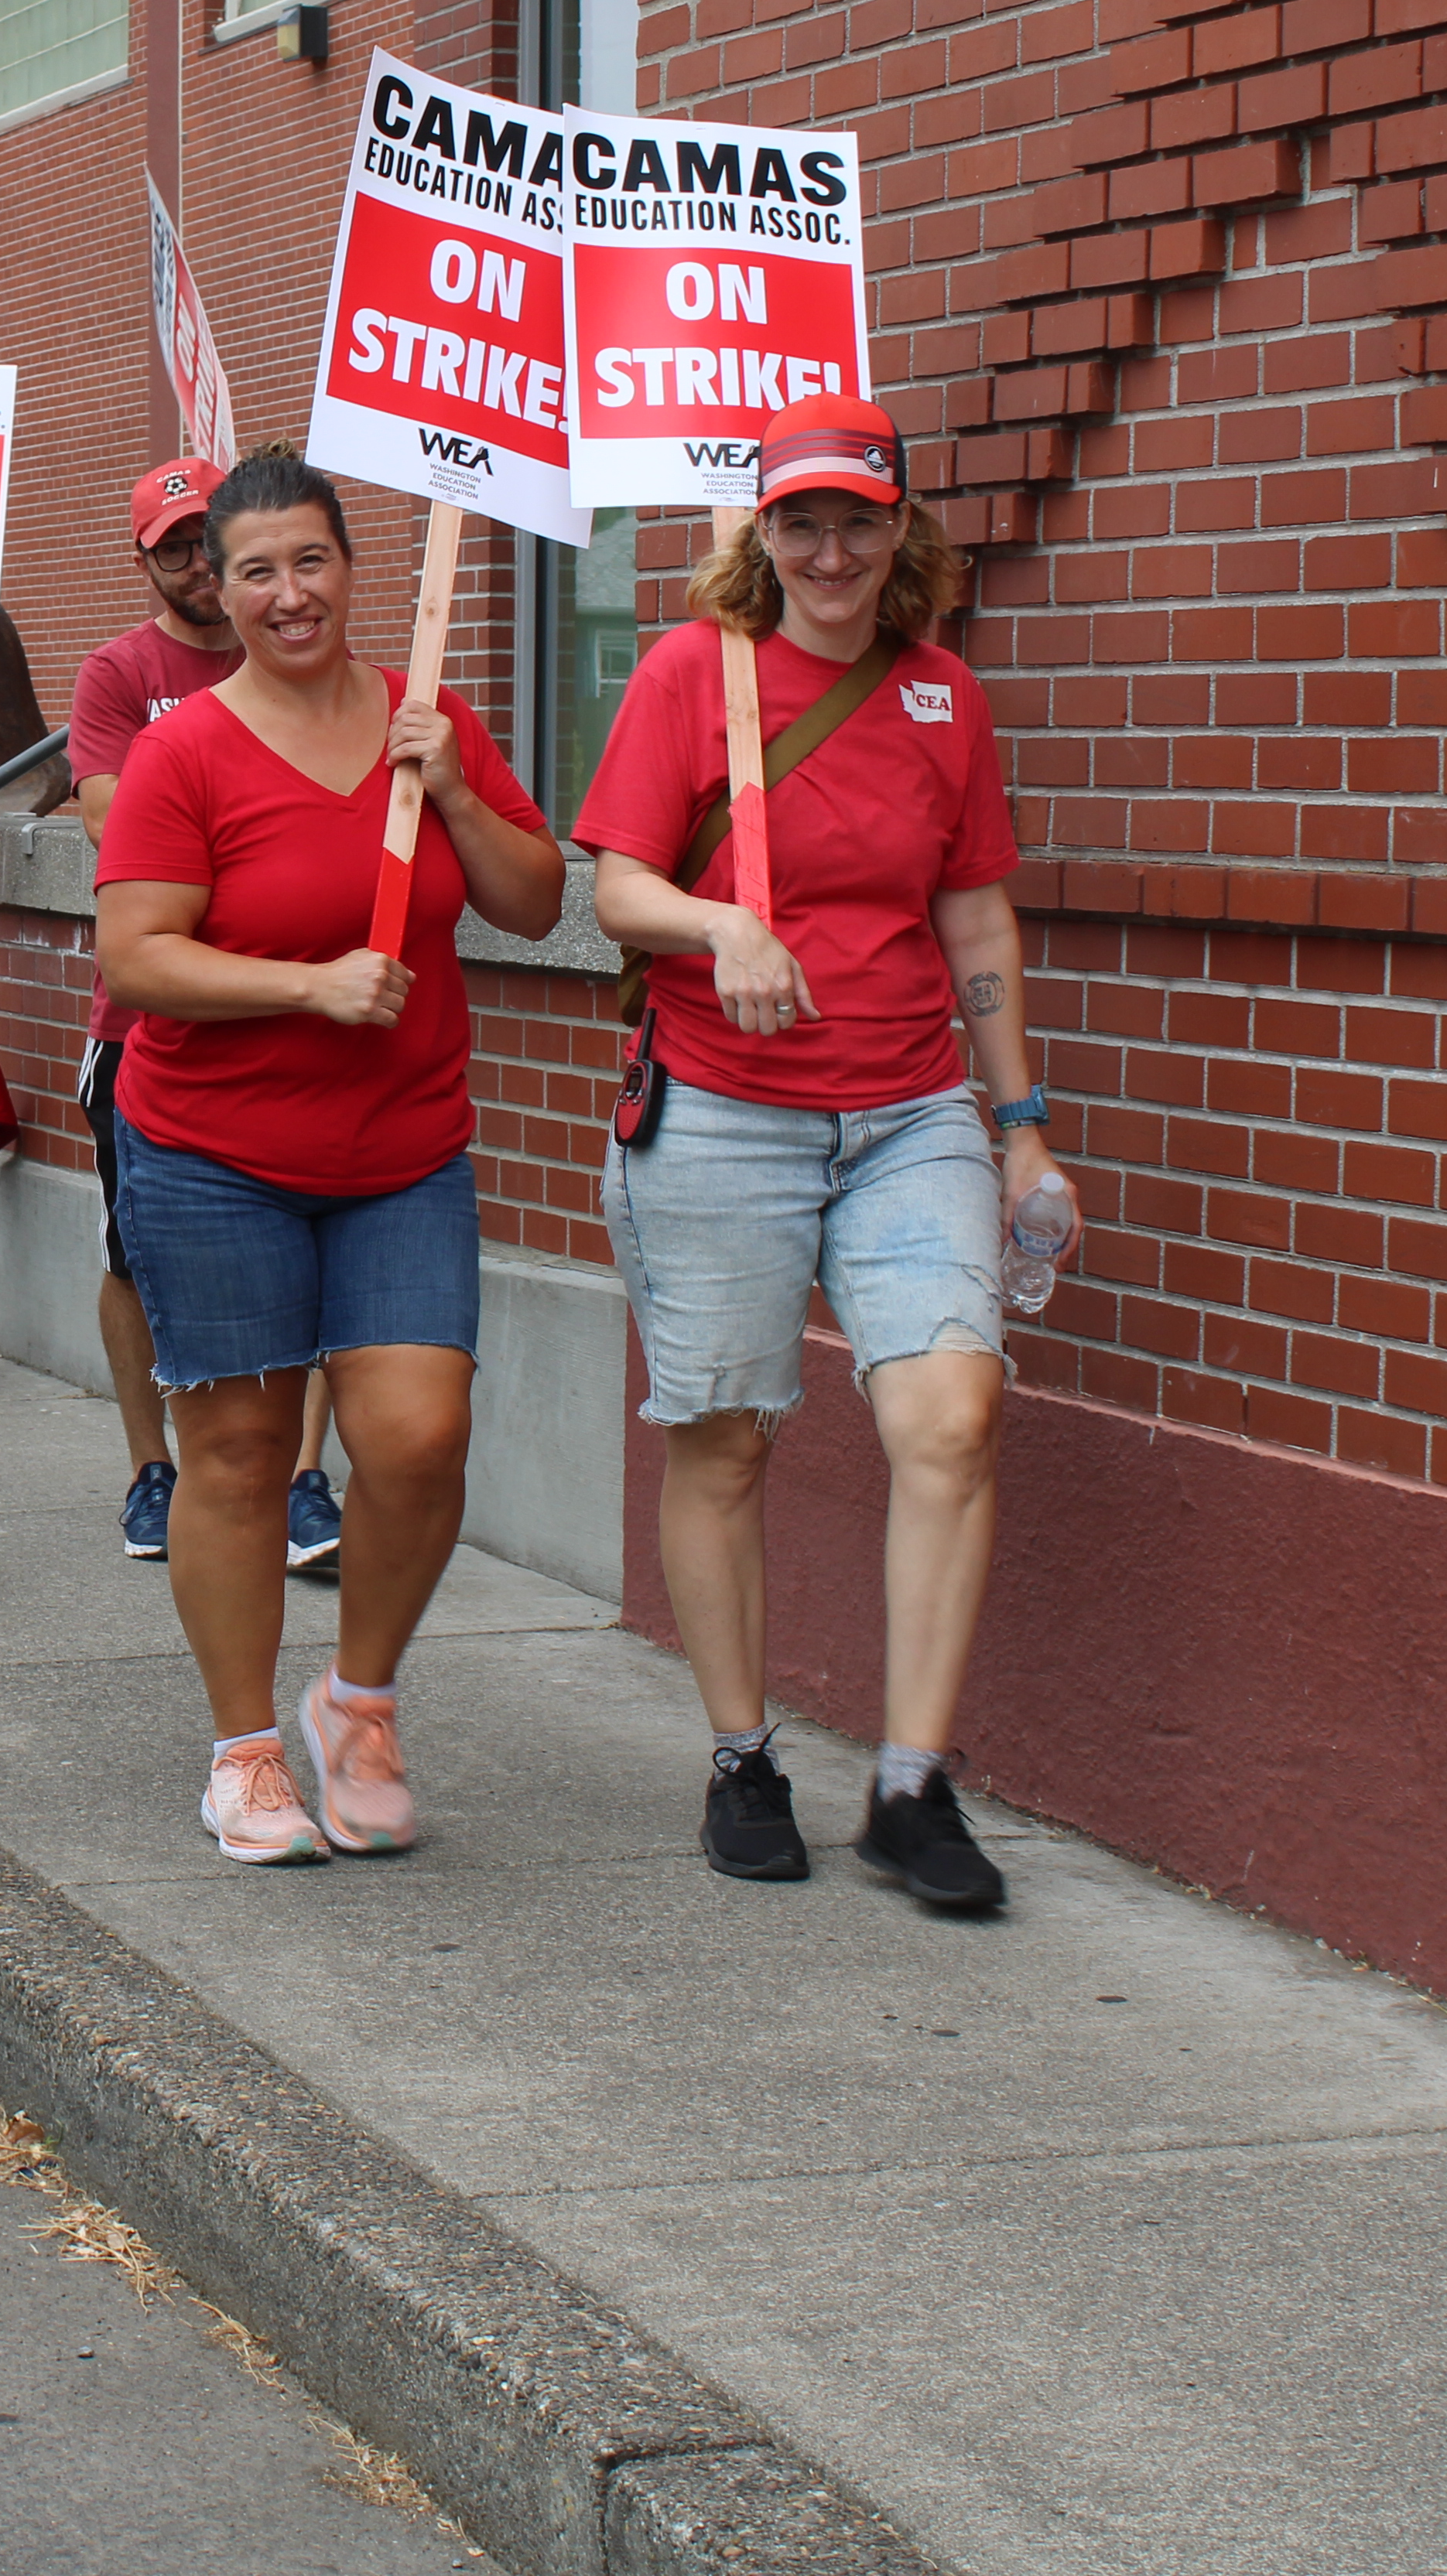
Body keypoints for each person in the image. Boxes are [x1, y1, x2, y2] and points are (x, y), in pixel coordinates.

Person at [576, 394, 1059, 1915]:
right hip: (722, 1104)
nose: (832, 547)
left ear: (900, 528)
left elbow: (974, 912)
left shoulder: (941, 700)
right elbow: (619, 891)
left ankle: (912, 1786)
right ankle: (742, 1754)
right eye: (803, 520)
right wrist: (725, 924)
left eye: (860, 518)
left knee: (953, 1417)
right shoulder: (687, 676)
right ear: (764, 532)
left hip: (913, 1110)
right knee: (725, 1435)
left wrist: (1024, 1126)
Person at [92, 453, 571, 1864]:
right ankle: (244, 1754)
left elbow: (539, 904)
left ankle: (358, 1702)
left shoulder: (434, 722)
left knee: (420, 1434)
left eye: (311, 561)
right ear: (218, 590)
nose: (288, 593)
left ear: (354, 569)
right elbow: (135, 954)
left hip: (402, 1150)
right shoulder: (185, 751)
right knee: (236, 1453)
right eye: (256, 571)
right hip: (210, 1154)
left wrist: (458, 793)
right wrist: (307, 987)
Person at [67, 457, 347, 1577]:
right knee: (136, 1257)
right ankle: (153, 1467)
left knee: (326, 1252)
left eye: (206, 540)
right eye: (177, 546)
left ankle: (305, 1476)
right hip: (149, 1034)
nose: (196, 563)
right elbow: (106, 821)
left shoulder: (307, 663)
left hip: (317, 1022)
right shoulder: (120, 674)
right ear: (149, 562)